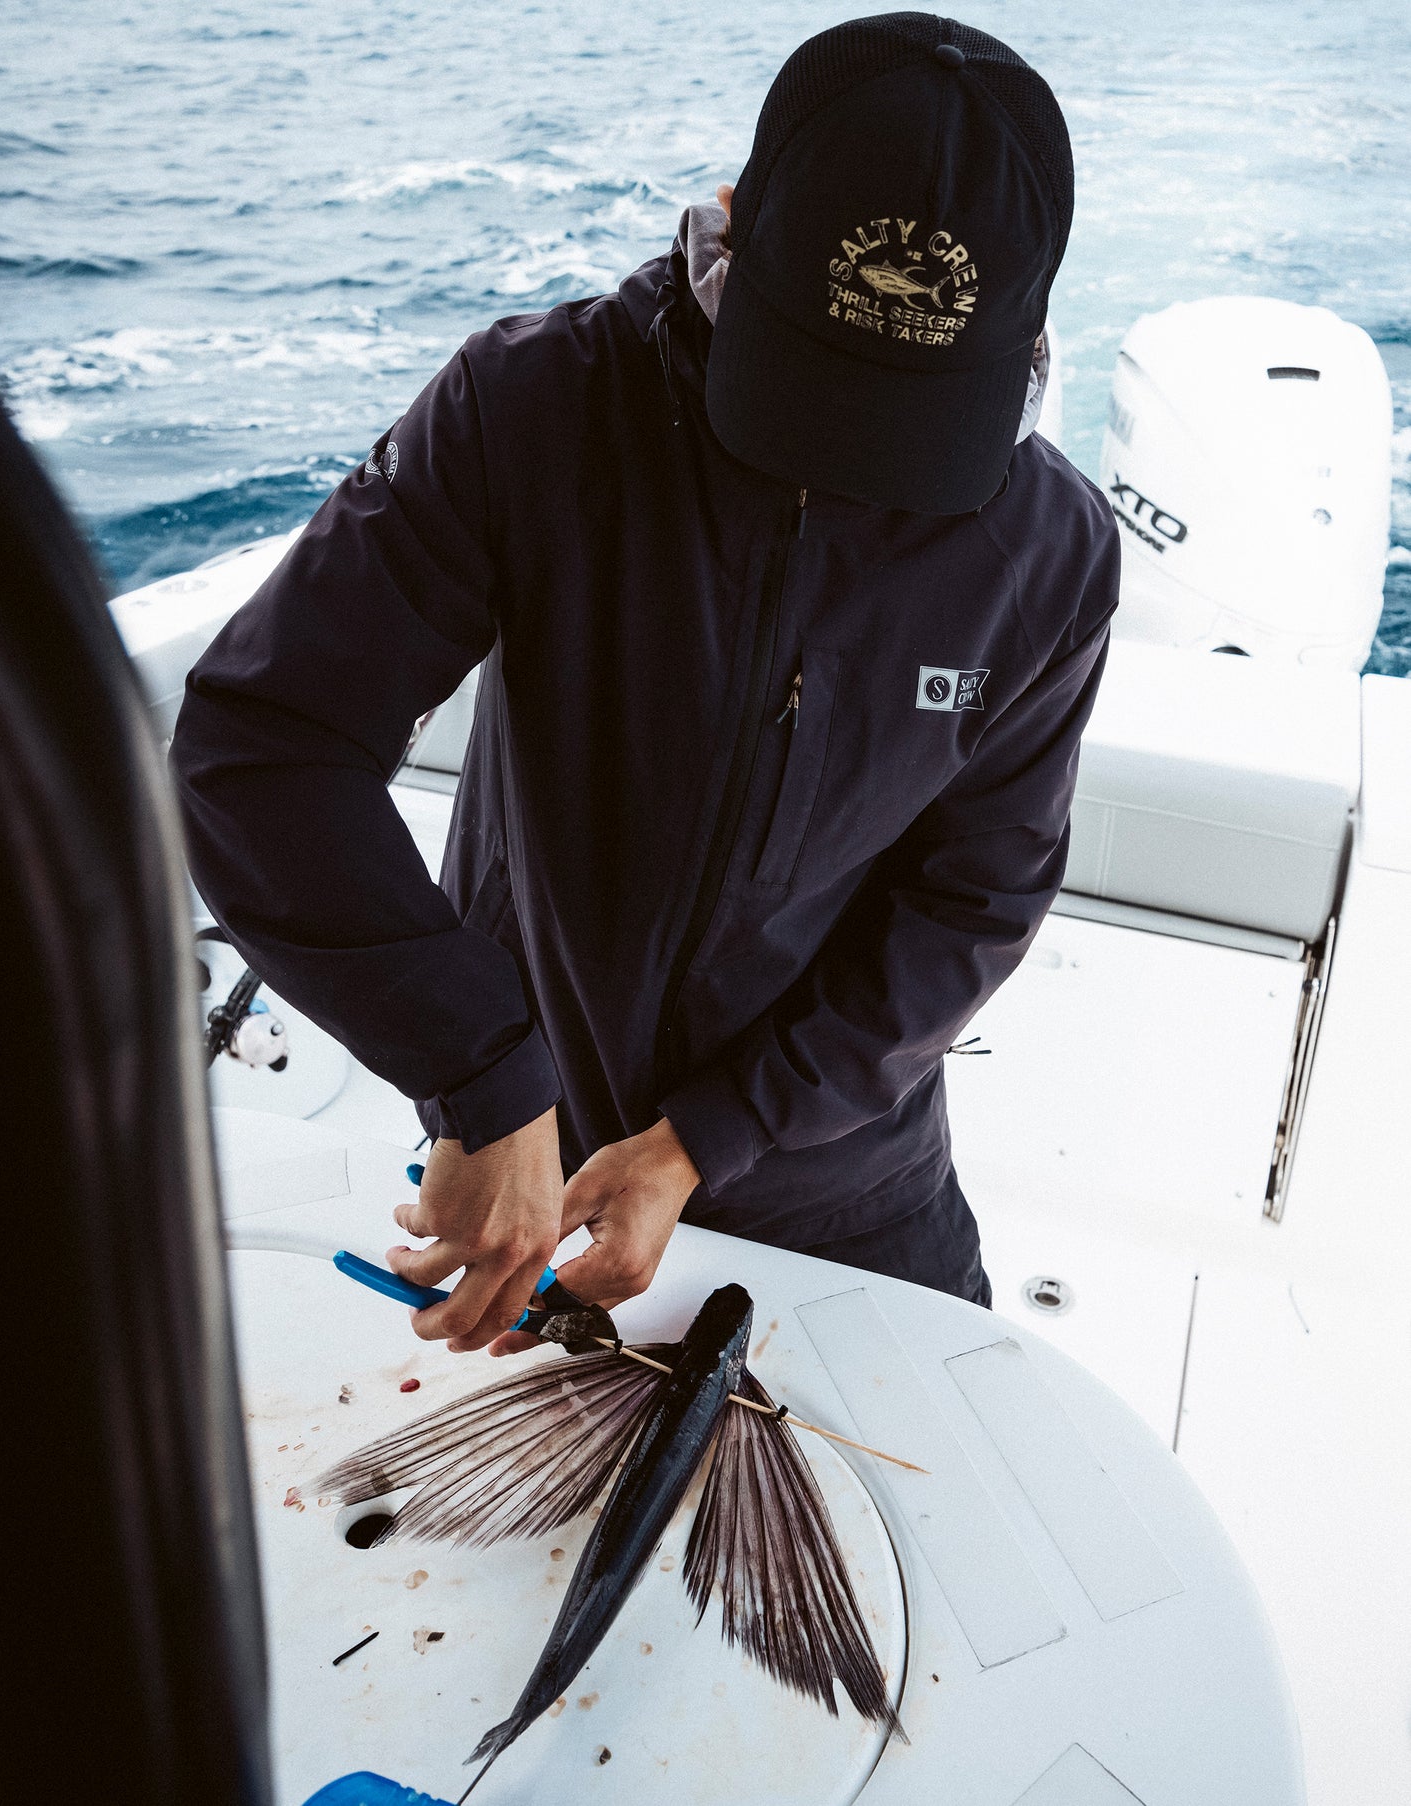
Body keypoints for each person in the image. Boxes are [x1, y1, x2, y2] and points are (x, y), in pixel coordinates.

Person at [171, 13, 1118, 1358]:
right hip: (527, 1142)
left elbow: (975, 895)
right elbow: (265, 746)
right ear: (727, 227)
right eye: (806, 389)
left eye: (901, 423)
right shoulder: (530, 407)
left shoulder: (1051, 548)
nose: (844, 465)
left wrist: (707, 1137)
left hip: (842, 1167)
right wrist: (480, 1078)